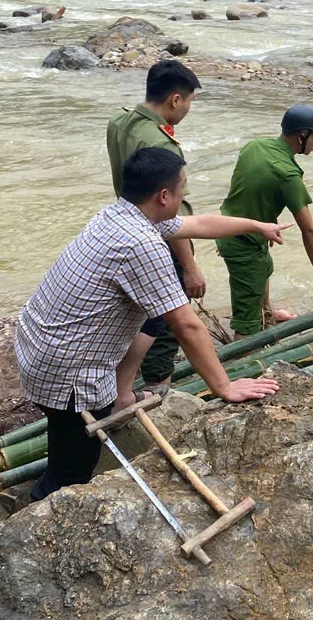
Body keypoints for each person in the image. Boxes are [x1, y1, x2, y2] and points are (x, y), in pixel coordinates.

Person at [16, 148, 286, 502]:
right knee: (70, 474)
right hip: (69, 375)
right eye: (182, 190)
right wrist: (226, 387)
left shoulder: (119, 215)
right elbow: (188, 327)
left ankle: (118, 395)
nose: (184, 196)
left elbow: (200, 224)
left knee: (155, 310)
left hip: (39, 348)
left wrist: (257, 225)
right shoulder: (142, 244)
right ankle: (35, 519)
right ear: (164, 196)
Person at [105, 59, 202, 407]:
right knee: (162, 321)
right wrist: (189, 266)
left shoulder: (120, 122)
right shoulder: (160, 145)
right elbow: (170, 212)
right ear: (175, 99)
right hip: (159, 239)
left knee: (135, 316)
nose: (188, 109)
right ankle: (156, 389)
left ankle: (122, 383)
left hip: (127, 226)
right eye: (189, 101)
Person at [217, 103, 313, 338]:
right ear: (302, 135)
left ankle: (267, 312)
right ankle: (245, 360)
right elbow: (309, 230)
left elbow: (247, 188)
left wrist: (264, 222)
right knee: (247, 323)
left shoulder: (255, 145)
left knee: (264, 267)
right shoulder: (288, 175)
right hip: (243, 243)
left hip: (228, 226)